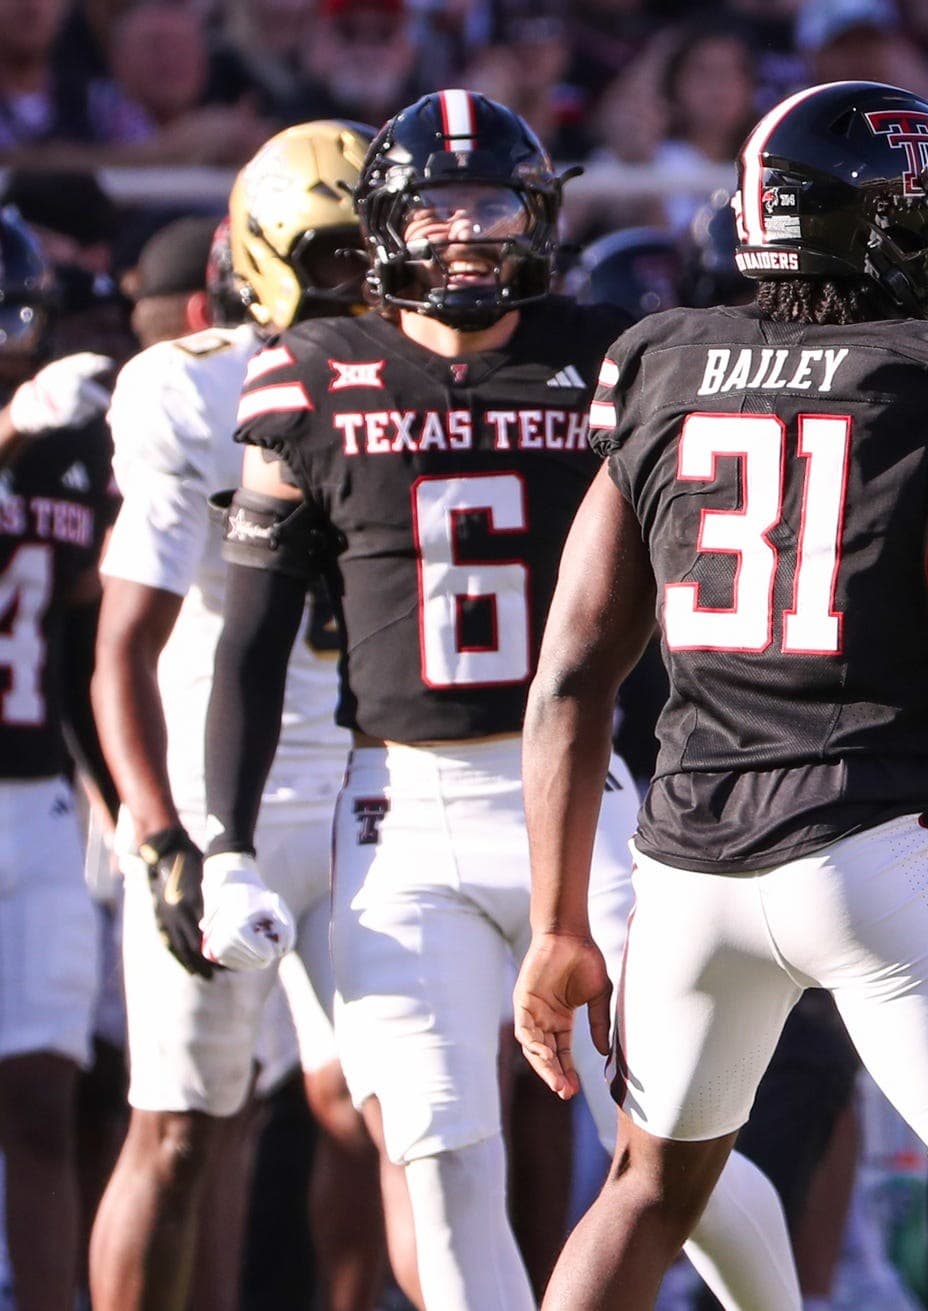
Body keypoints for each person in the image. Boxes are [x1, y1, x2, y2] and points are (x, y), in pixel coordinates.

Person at [511, 80, 928, 1311]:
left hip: (686, 863)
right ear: (883, 226)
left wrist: (558, 919)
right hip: (875, 834)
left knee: (642, 1193)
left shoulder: (657, 359)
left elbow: (572, 666)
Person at [202, 90, 798, 1311]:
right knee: (436, 1159)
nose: (468, 232)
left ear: (539, 213)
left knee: (672, 1134)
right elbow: (250, 637)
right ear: (384, 224)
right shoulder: (310, 375)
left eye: (490, 204)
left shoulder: (615, 357)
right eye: (438, 205)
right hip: (397, 815)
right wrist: (219, 841)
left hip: (586, 798)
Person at [90, 120, 403, 1311]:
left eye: (369, 254)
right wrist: (162, 831)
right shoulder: (191, 384)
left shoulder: (423, 370)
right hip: (235, 785)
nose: (356, 284)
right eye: (330, 257)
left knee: (382, 1111)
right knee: (180, 1128)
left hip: (376, 778)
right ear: (266, 253)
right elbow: (123, 642)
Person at [0, 207, 117, 1311]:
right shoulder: (28, 433)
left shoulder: (65, 442)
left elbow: (89, 630)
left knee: (45, 1092)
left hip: (37, 802)